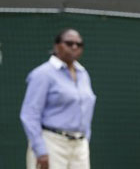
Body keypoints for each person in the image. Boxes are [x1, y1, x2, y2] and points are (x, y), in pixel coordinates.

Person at [20, 29, 96, 169]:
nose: (74, 47)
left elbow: (86, 109)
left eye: (79, 44)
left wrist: (85, 139)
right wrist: (40, 149)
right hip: (52, 143)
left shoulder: (83, 74)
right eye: (69, 43)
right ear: (57, 46)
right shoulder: (43, 74)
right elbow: (30, 114)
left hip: (79, 146)